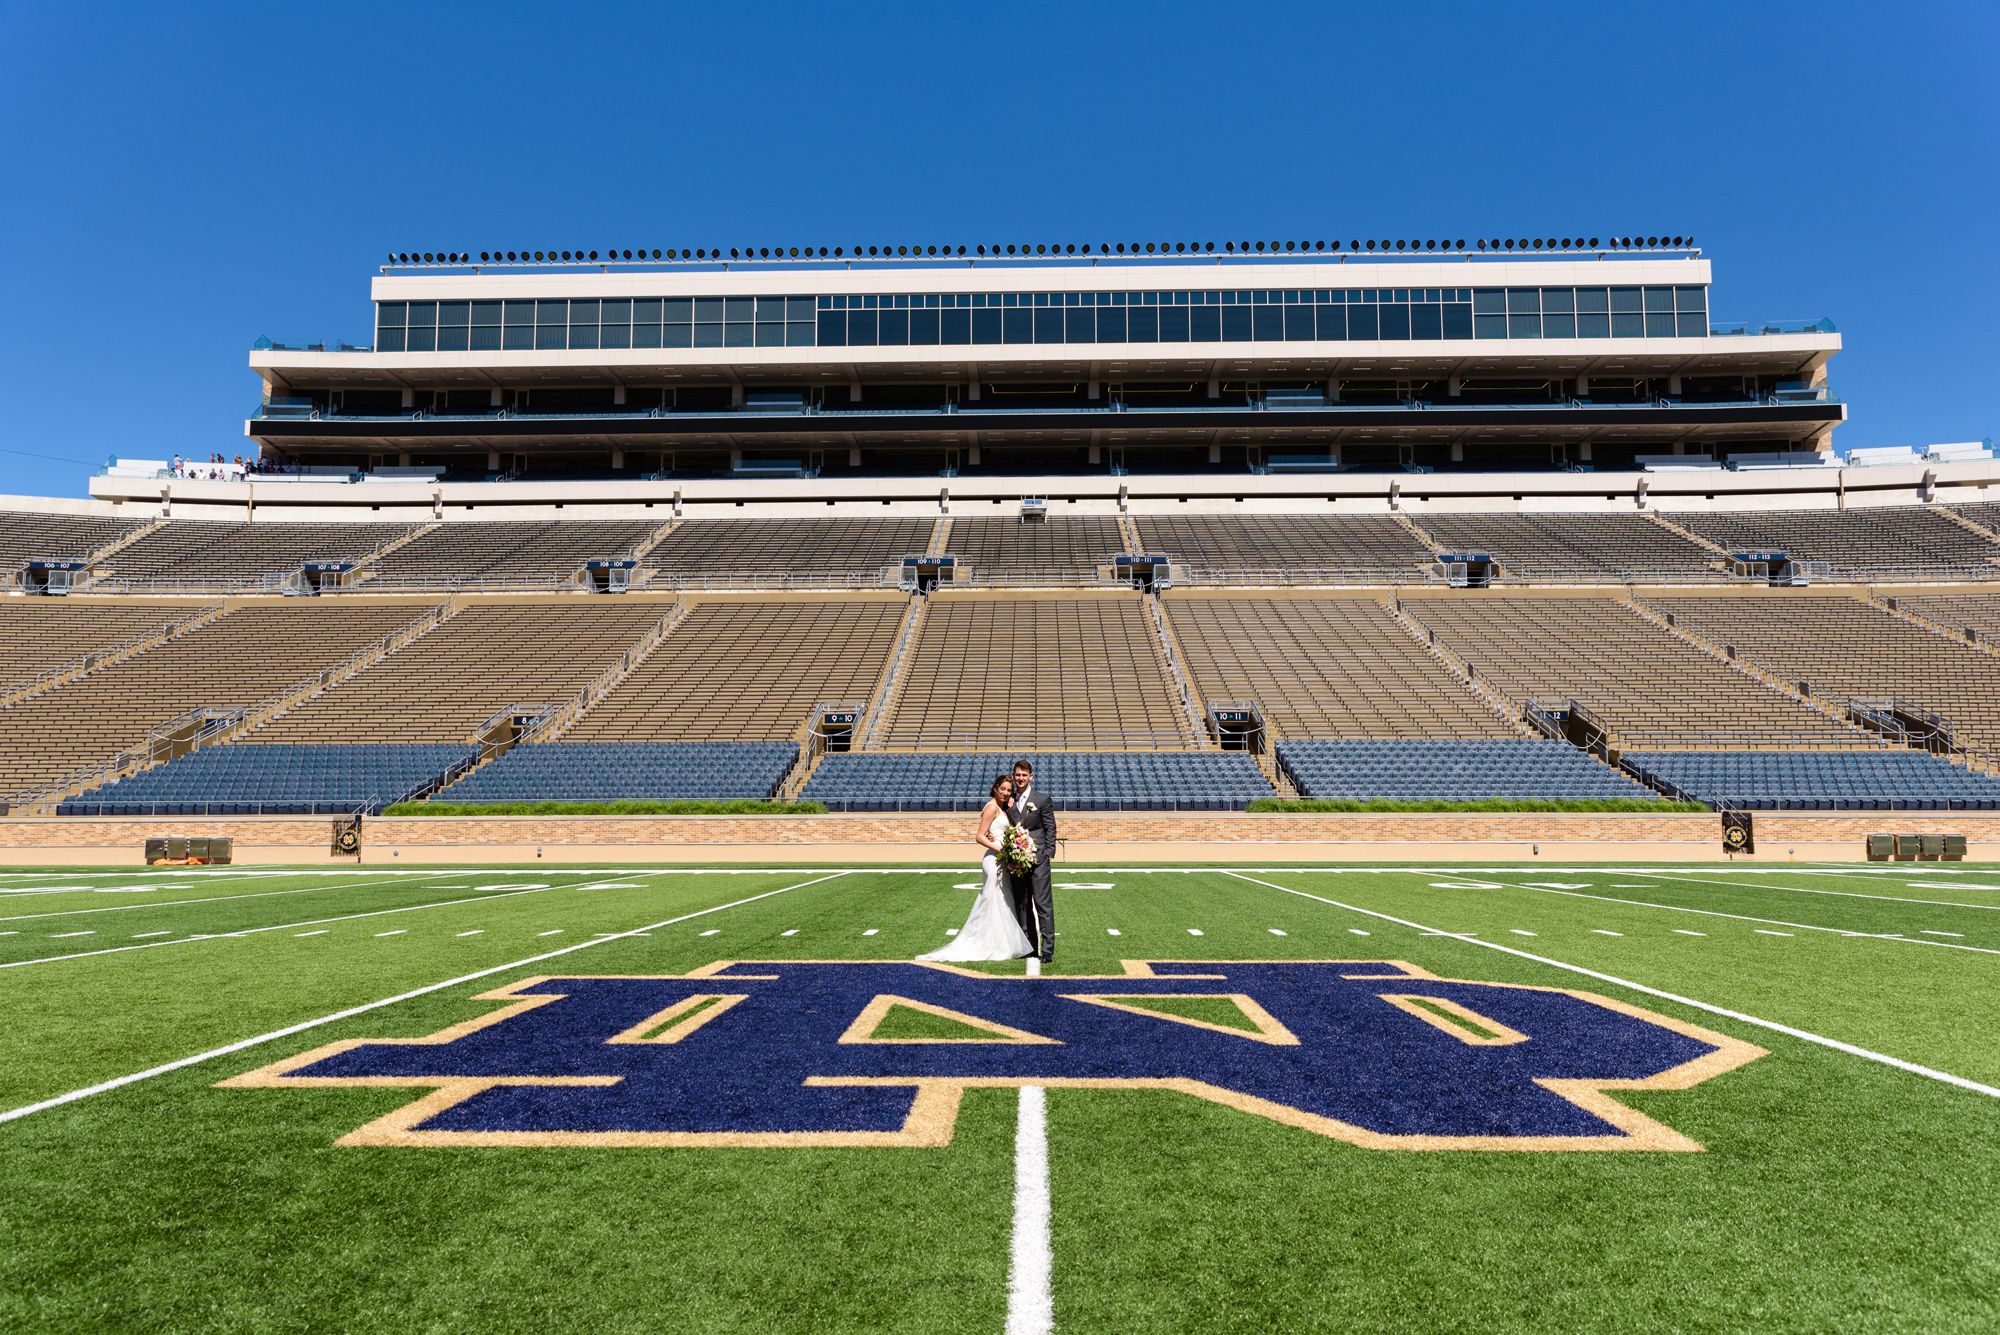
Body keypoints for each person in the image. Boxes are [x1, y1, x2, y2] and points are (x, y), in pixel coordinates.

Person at [918, 775, 1035, 963]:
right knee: (993, 899)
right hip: (993, 860)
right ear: (995, 788)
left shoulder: (1004, 808)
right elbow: (980, 836)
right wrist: (1004, 850)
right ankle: (988, 943)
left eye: (1008, 789)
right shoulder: (991, 808)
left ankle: (1001, 942)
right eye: (1002, 789)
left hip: (1003, 860)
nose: (1005, 792)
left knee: (1003, 899)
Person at [1006, 759, 1057, 962]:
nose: (1020, 778)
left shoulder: (1042, 799)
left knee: (1043, 904)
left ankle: (1047, 949)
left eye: (1024, 775)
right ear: (1013, 775)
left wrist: (1048, 853)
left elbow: (1050, 827)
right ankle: (1028, 947)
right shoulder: (1008, 800)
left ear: (1031, 777)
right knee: (1022, 904)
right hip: (1017, 862)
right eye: (1017, 775)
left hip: (1039, 859)